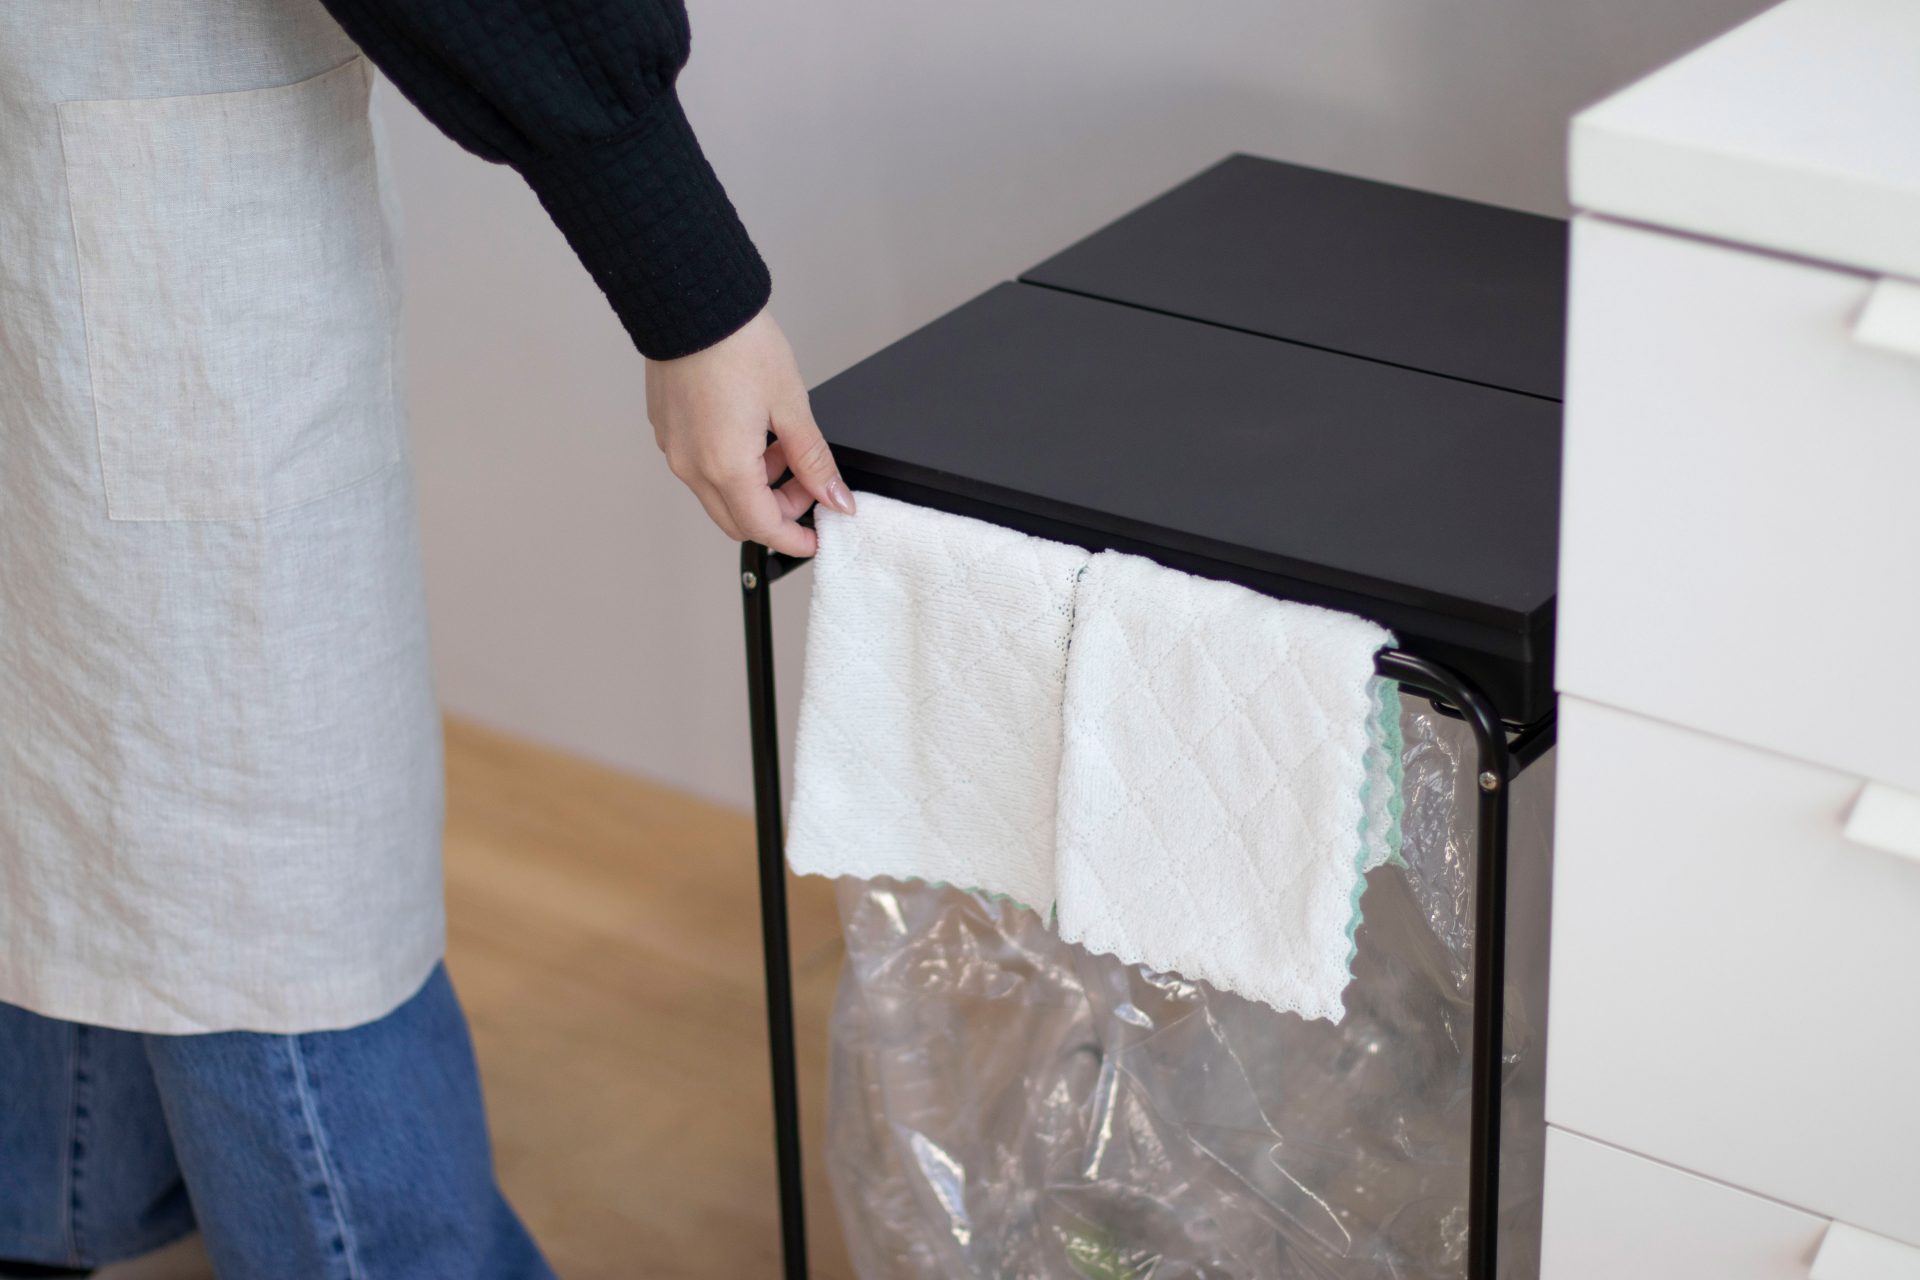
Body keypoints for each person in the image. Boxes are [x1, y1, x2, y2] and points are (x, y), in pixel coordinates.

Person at [0, 1, 848, 1275]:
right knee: (258, 839)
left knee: (88, 718)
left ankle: (53, 1195)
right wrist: (690, 286)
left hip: (94, 141)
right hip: (132, 190)